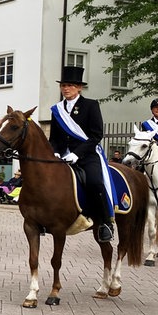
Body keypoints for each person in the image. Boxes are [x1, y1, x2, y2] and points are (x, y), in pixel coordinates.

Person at [49, 66, 114, 242]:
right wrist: (54, 152)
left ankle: (105, 222)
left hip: (86, 155)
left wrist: (77, 154)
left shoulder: (91, 105)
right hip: (62, 156)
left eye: (69, 85)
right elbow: (53, 137)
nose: (65, 89)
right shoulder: (57, 110)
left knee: (94, 181)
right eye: (63, 85)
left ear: (79, 88)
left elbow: (96, 135)